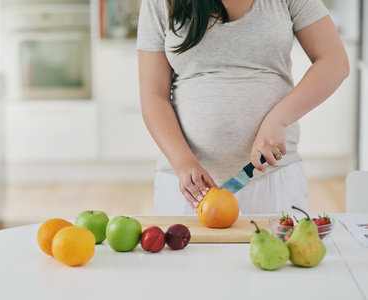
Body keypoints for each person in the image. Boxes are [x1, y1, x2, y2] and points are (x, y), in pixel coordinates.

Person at [136, 0, 349, 216]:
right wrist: (183, 163)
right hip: (188, 185)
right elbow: (153, 96)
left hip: (272, 174)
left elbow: (334, 61)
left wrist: (279, 119)